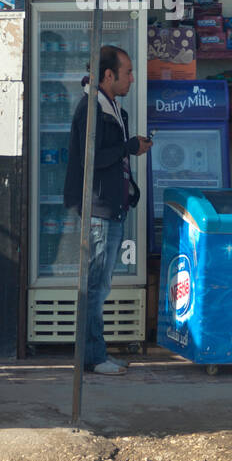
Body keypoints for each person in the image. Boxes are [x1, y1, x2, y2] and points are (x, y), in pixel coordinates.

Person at [64, 45, 152, 375]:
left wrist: (131, 149)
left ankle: (95, 352)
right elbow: (93, 159)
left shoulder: (112, 108)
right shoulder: (91, 110)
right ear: (108, 75)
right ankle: (93, 356)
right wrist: (128, 147)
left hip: (112, 207)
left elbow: (111, 155)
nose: (132, 78)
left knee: (100, 285)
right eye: (127, 72)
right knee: (95, 285)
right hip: (98, 210)